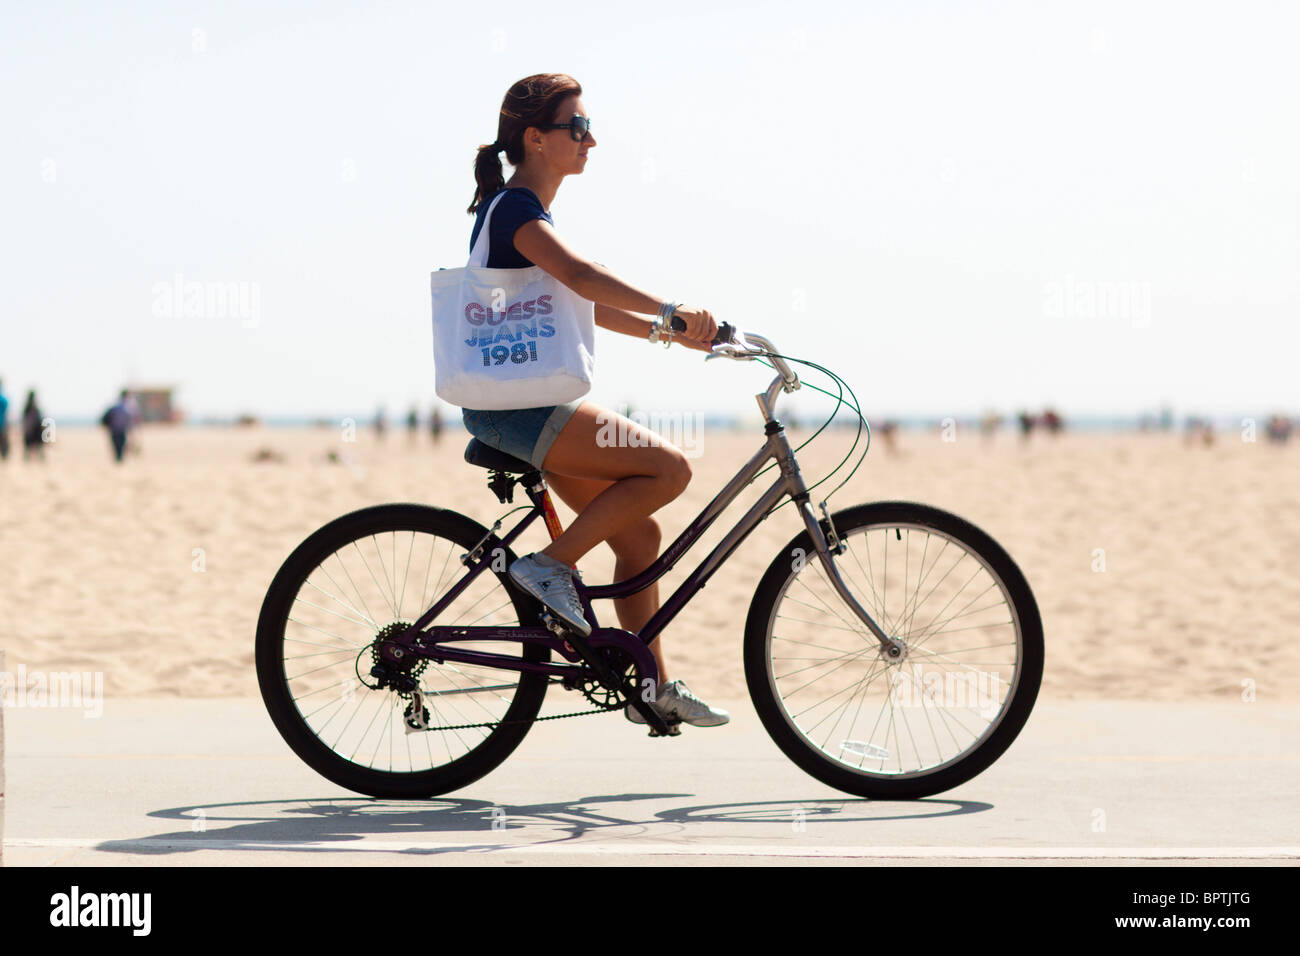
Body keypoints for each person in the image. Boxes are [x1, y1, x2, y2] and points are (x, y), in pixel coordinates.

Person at [458, 73, 727, 729]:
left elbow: (587, 304)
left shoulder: (523, 212)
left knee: (640, 535)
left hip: (528, 405)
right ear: (536, 138)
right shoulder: (518, 209)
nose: (591, 139)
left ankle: (650, 687)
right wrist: (671, 306)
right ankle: (549, 567)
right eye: (577, 127)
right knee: (669, 470)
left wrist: (674, 332)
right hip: (520, 408)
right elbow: (582, 276)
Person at [101, 390, 133, 463]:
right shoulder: (126, 407)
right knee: (120, 445)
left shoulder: (116, 407)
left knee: (118, 445)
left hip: (116, 430)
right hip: (119, 430)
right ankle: (119, 460)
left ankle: (118, 460)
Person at [22, 390, 44, 460]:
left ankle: (34, 459)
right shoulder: (29, 407)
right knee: (34, 447)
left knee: (35, 447)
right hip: (33, 429)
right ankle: (31, 459)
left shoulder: (28, 407)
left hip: (33, 429)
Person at [0, 378, 10, 461]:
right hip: (2, 424)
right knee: (4, 446)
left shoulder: (3, 399)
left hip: (2, 424)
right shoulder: (3, 399)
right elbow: (6, 413)